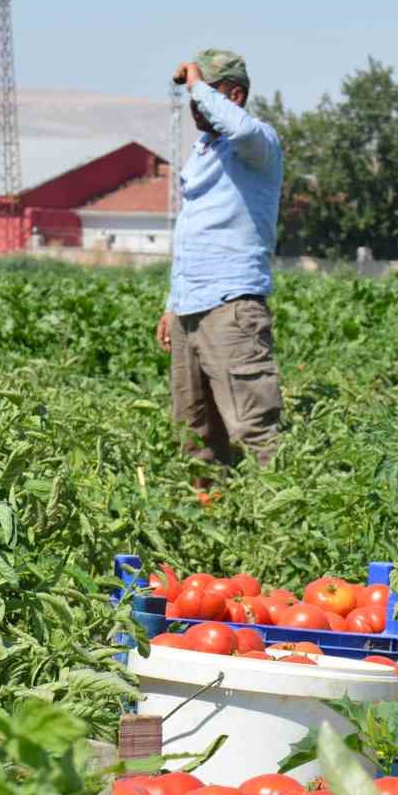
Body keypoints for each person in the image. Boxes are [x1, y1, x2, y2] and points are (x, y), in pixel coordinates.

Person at [157, 50, 284, 499]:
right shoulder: (205, 151)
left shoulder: (257, 146)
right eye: (193, 96)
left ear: (235, 95)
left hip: (231, 307)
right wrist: (173, 304)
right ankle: (210, 530)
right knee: (194, 436)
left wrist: (195, 85)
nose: (196, 105)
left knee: (255, 430)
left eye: (206, 94)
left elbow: (243, 127)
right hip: (191, 307)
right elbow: (195, 232)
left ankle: (282, 528)